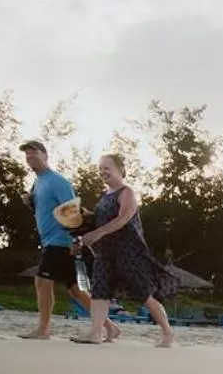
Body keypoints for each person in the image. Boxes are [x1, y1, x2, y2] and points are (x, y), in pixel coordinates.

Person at [70, 153, 175, 347]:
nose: (102, 172)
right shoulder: (104, 197)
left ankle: (168, 333)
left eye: (107, 168)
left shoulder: (127, 192)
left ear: (120, 170)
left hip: (129, 251)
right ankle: (95, 333)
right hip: (105, 251)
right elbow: (99, 220)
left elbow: (123, 218)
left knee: (143, 293)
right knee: (99, 290)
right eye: (100, 169)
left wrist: (100, 232)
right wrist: (84, 221)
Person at [17, 140, 100, 341]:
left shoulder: (58, 181)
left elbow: (72, 211)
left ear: (46, 155)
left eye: (34, 152)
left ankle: (43, 329)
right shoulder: (38, 182)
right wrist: (30, 202)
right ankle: (109, 326)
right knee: (75, 290)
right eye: (27, 154)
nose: (30, 157)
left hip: (61, 240)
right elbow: (47, 210)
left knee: (42, 281)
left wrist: (75, 241)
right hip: (49, 241)